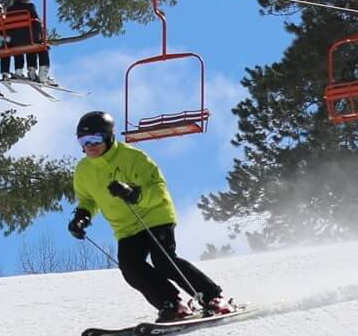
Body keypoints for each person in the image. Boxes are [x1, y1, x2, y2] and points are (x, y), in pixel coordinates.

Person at [66, 109, 235, 323]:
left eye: (95, 139)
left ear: (108, 137)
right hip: (125, 227)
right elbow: (88, 200)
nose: (89, 145)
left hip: (154, 216)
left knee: (164, 261)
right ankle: (171, 303)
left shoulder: (133, 157)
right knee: (131, 268)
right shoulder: (83, 171)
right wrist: (82, 217)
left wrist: (133, 193)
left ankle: (213, 297)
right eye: (84, 140)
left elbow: (158, 189)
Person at [1, 0, 52, 86]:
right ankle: (40, 74)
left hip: (15, 41)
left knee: (21, 43)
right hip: (29, 39)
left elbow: (7, 26)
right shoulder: (29, 6)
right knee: (39, 46)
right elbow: (36, 21)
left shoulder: (10, 9)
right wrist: (41, 34)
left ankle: (19, 72)